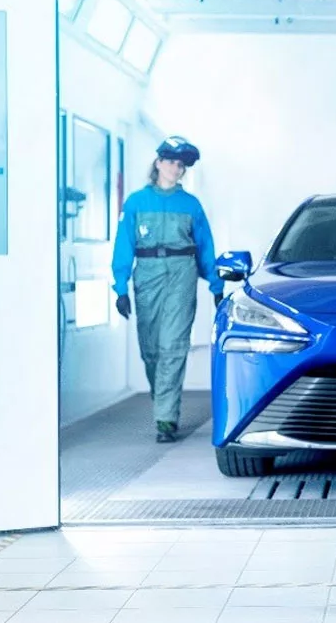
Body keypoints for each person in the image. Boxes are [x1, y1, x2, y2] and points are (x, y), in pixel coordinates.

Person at [111, 136, 224, 444]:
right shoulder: (135, 203)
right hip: (146, 275)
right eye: (171, 161)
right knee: (150, 349)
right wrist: (120, 288)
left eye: (181, 164)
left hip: (181, 274)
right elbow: (124, 246)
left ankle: (165, 419)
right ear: (158, 163)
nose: (176, 168)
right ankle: (162, 398)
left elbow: (204, 247)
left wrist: (216, 284)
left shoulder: (190, 205)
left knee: (172, 346)